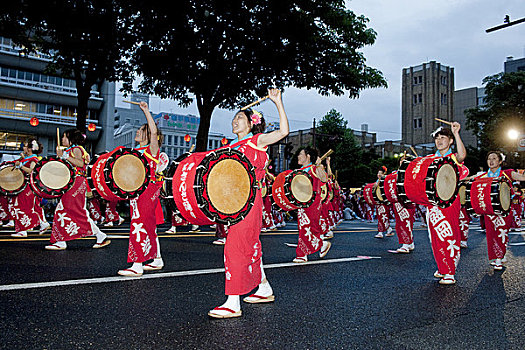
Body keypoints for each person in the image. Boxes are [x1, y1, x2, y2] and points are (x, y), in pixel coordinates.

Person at [207, 88, 289, 319]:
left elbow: (283, 131)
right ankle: (264, 287)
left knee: (235, 246)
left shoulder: (256, 141)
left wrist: (277, 102)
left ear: (251, 124)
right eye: (234, 117)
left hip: (249, 203)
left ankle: (233, 302)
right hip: (232, 203)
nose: (235, 120)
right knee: (250, 246)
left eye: (240, 118)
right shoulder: (228, 146)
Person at [118, 102, 165, 276]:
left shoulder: (151, 149)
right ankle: (157, 258)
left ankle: (137, 264)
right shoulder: (135, 151)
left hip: (147, 190)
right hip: (138, 190)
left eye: (141, 130)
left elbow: (154, 132)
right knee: (148, 225)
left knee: (138, 223)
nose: (137, 132)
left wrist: (146, 111)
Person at [45, 130, 110, 250]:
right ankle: (62, 239)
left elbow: (80, 163)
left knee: (73, 210)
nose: (63, 139)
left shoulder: (77, 149)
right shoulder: (71, 150)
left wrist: (64, 156)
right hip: (72, 182)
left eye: (64, 137)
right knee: (65, 210)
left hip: (76, 182)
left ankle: (98, 235)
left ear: (71, 138)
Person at [426, 124, 466, 285]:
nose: (439, 141)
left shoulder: (453, 157)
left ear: (450, 141)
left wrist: (456, 133)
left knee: (448, 233)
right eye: (437, 138)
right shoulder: (430, 159)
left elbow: (462, 156)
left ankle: (450, 271)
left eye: (443, 138)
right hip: (432, 202)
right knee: (435, 236)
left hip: (450, 201)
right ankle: (443, 267)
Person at [478, 151, 525, 270]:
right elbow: (470, 181)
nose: (491, 161)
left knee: (501, 232)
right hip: (489, 211)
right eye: (489, 158)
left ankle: (499, 258)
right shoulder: (483, 176)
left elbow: (522, 177)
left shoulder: (507, 173)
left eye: (494, 158)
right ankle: (498, 256)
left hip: (505, 210)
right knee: (491, 234)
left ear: (500, 162)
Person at [292, 147, 331, 263]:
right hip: (302, 202)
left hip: (313, 202)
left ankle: (303, 253)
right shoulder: (300, 170)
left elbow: (324, 179)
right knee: (304, 227)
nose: (298, 156)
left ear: (307, 156)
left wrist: (319, 166)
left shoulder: (314, 168)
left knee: (309, 226)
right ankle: (319, 245)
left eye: (300, 154)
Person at [9, 139, 50, 237]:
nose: (24, 148)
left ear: (31, 149)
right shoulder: (27, 158)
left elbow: (32, 171)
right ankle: (42, 223)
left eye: (26, 146)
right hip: (23, 185)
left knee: (24, 207)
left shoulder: (34, 159)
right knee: (30, 206)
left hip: (28, 186)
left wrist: (21, 167)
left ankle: (23, 230)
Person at [373, 166, 394, 239]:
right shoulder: (377, 180)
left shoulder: (385, 179)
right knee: (380, 216)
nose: (378, 175)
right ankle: (386, 230)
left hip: (384, 201)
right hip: (379, 201)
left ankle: (383, 231)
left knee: (383, 216)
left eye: (380, 174)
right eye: (378, 174)